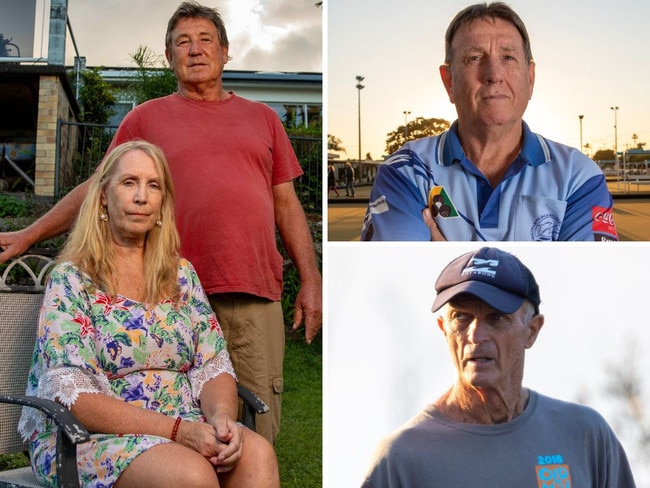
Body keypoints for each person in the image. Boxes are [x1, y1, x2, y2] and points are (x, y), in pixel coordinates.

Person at [0, 1, 322, 444]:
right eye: (182, 43)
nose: (195, 50)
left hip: (250, 294)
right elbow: (99, 187)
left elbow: (287, 206)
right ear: (169, 57)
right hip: (168, 295)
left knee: (253, 432)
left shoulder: (264, 119)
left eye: (206, 40)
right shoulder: (144, 118)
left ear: (226, 52)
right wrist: (28, 234)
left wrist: (311, 278)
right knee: (174, 425)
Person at [18, 140, 279, 488]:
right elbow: (78, 400)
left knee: (257, 455)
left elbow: (212, 364)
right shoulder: (71, 281)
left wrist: (220, 418)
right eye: (129, 183)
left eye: (153, 185)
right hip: (88, 437)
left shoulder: (180, 275)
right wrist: (179, 432)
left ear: (162, 203)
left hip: (186, 424)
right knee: (191, 474)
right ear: (103, 197)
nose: (141, 196)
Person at [361, 247, 636, 487]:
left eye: (496, 318)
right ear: (444, 329)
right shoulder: (400, 458)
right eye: (461, 318)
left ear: (531, 331)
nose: (475, 335)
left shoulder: (585, 435)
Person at [361, 2, 618, 242]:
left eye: (508, 57)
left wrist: (449, 265)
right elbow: (395, 281)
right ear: (449, 81)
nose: (494, 74)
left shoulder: (579, 177)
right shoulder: (406, 171)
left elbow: (587, 284)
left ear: (530, 77)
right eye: (473, 58)